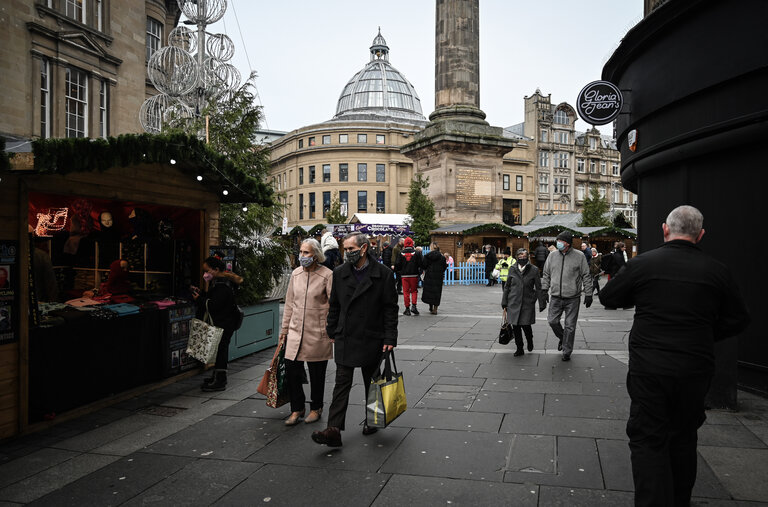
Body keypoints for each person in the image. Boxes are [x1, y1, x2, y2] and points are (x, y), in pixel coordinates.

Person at [599, 205, 749, 507]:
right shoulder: (716, 270)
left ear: (665, 229)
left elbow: (609, 297)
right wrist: (706, 332)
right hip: (696, 368)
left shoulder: (645, 264)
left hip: (650, 368)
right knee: (683, 435)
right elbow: (738, 318)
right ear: (701, 234)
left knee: (648, 437)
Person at [312, 232, 398, 447]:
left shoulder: (383, 274)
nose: (347, 253)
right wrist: (332, 330)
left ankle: (373, 419)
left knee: (373, 382)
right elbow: (335, 305)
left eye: (350, 249)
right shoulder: (339, 273)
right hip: (346, 336)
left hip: (372, 335)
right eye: (345, 249)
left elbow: (390, 309)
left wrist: (390, 337)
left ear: (363, 248)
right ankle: (333, 430)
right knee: (341, 383)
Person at [280, 239, 334, 426]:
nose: (302, 256)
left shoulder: (327, 275)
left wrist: (331, 328)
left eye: (306, 253)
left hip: (317, 331)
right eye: (301, 252)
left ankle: (316, 408)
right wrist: (284, 329)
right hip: (295, 331)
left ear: (316, 255)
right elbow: (289, 304)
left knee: (317, 373)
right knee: (292, 371)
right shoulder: (296, 274)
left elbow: (334, 305)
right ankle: (297, 408)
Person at [191, 257, 242, 391]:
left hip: (225, 323)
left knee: (221, 350)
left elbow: (214, 304)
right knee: (220, 350)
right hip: (226, 322)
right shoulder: (221, 282)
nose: (205, 274)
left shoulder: (222, 285)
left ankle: (220, 380)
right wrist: (202, 294)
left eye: (207, 271)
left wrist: (199, 299)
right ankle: (217, 377)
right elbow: (213, 299)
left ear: (216, 270)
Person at [541, 231, 592, 361]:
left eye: (560, 241)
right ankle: (563, 339)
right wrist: (544, 290)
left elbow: (586, 275)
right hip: (556, 296)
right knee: (552, 321)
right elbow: (546, 274)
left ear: (567, 243)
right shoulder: (552, 256)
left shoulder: (579, 256)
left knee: (570, 325)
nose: (557, 243)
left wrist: (588, 293)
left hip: (573, 297)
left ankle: (566, 351)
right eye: (557, 240)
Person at [502, 248, 545, 356]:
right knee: (516, 326)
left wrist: (541, 303)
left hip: (527, 302)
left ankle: (530, 340)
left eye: (524, 256)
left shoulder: (534, 270)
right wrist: (504, 301)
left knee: (526, 325)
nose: (522, 258)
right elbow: (507, 287)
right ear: (517, 257)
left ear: (528, 257)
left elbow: (539, 288)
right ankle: (519, 348)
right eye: (520, 256)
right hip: (513, 302)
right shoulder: (512, 269)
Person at [395, 237, 422, 315]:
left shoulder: (401, 253)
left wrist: (400, 272)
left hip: (404, 276)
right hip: (414, 275)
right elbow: (421, 263)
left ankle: (407, 309)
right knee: (414, 291)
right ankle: (414, 306)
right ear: (412, 243)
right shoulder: (417, 253)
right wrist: (419, 272)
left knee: (406, 292)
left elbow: (397, 265)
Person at [422, 243, 447, 315]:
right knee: (437, 292)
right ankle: (435, 309)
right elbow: (444, 267)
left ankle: (430, 306)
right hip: (438, 277)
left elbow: (424, 265)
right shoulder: (442, 257)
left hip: (429, 275)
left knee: (429, 291)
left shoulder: (427, 256)